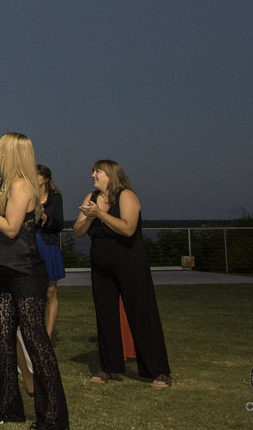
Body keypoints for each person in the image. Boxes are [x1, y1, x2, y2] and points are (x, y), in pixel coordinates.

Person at [0, 133, 68, 429]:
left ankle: (53, 417)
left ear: (11, 152)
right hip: (3, 269)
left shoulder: (22, 185)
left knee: (36, 342)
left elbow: (11, 229)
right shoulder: (5, 187)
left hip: (25, 272)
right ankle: (9, 406)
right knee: (3, 338)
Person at [74, 159, 172, 388]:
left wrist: (100, 214)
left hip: (130, 262)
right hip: (101, 265)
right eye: (93, 172)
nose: (93, 175)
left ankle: (159, 370)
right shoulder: (91, 198)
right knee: (105, 315)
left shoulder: (126, 195)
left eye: (98, 172)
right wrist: (90, 216)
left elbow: (128, 228)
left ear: (111, 175)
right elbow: (78, 231)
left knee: (141, 314)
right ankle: (109, 367)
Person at [35, 165, 65, 336]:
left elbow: (59, 225)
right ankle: (35, 330)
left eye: (37, 175)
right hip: (31, 243)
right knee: (34, 291)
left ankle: (48, 333)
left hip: (48, 244)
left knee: (50, 291)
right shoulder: (27, 195)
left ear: (46, 178)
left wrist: (44, 217)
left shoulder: (55, 197)